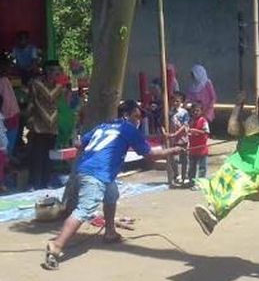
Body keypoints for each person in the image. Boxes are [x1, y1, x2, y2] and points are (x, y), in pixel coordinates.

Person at [43, 100, 181, 270]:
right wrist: (172, 151)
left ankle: (110, 232)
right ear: (126, 115)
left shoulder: (104, 126)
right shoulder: (128, 129)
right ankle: (56, 246)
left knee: (111, 194)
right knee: (84, 210)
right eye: (136, 116)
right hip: (96, 175)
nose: (138, 121)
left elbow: (79, 144)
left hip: (87, 171)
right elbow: (150, 154)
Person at [193, 88, 259, 236]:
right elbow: (232, 130)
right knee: (224, 172)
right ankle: (212, 212)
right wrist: (238, 106)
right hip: (244, 164)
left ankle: (214, 215)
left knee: (239, 180)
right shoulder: (253, 122)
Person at [26, 61, 64, 190]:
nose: (56, 73)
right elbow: (31, 102)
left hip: (53, 125)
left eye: (57, 71)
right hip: (38, 124)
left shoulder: (60, 87)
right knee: (36, 155)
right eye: (53, 70)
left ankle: (47, 182)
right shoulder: (36, 85)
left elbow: (62, 103)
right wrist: (29, 119)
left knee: (50, 155)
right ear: (47, 71)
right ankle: (33, 183)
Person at [0, 62, 20, 158]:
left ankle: (6, 160)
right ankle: (8, 159)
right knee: (10, 140)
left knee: (4, 141)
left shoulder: (1, 81)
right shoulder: (5, 81)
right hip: (12, 114)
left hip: (6, 114)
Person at [187, 101, 210, 184]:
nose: (195, 112)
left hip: (202, 149)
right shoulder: (190, 121)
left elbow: (206, 132)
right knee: (192, 167)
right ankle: (191, 181)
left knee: (202, 167)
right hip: (192, 148)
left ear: (201, 111)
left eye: (197, 110)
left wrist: (195, 131)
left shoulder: (203, 121)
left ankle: (201, 183)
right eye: (193, 111)